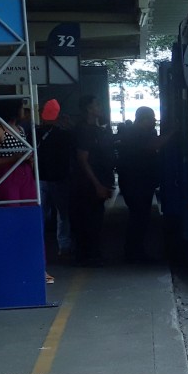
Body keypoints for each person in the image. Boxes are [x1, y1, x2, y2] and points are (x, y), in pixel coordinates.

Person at [0, 99, 52, 282]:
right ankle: (11, 269)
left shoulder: (20, 129)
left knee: (31, 219)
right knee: (11, 220)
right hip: (6, 177)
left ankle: (37, 268)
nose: (24, 111)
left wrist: (28, 161)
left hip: (25, 175)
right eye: (21, 107)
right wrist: (14, 159)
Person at [117, 106, 168, 263]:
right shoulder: (135, 133)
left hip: (138, 183)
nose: (154, 121)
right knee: (138, 219)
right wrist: (173, 132)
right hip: (136, 184)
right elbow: (153, 146)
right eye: (152, 118)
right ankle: (134, 253)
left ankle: (135, 251)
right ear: (143, 119)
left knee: (140, 218)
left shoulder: (136, 132)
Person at [71, 95, 115, 267]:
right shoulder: (85, 130)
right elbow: (83, 159)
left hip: (95, 181)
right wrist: (97, 184)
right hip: (88, 184)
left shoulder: (94, 129)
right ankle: (88, 255)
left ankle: (90, 254)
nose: (100, 107)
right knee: (90, 220)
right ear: (89, 108)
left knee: (94, 219)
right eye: (97, 103)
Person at [36, 99, 75, 258]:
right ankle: (64, 246)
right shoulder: (65, 135)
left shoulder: (35, 132)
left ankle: (38, 245)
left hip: (40, 177)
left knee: (40, 213)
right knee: (63, 214)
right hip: (60, 178)